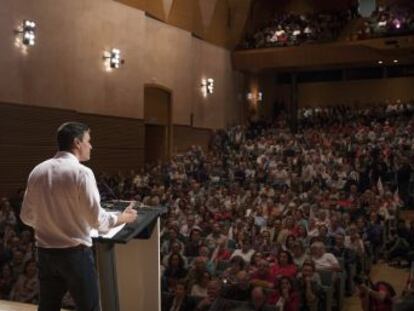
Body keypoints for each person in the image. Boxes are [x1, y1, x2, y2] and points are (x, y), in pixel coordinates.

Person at [20, 122, 138, 311]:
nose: (91, 146)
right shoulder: (82, 173)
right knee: (89, 308)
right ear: (77, 142)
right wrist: (124, 217)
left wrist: (51, 223)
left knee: (48, 307)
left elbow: (26, 217)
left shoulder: (38, 171)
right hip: (75, 254)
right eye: (88, 141)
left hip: (45, 253)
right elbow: (98, 221)